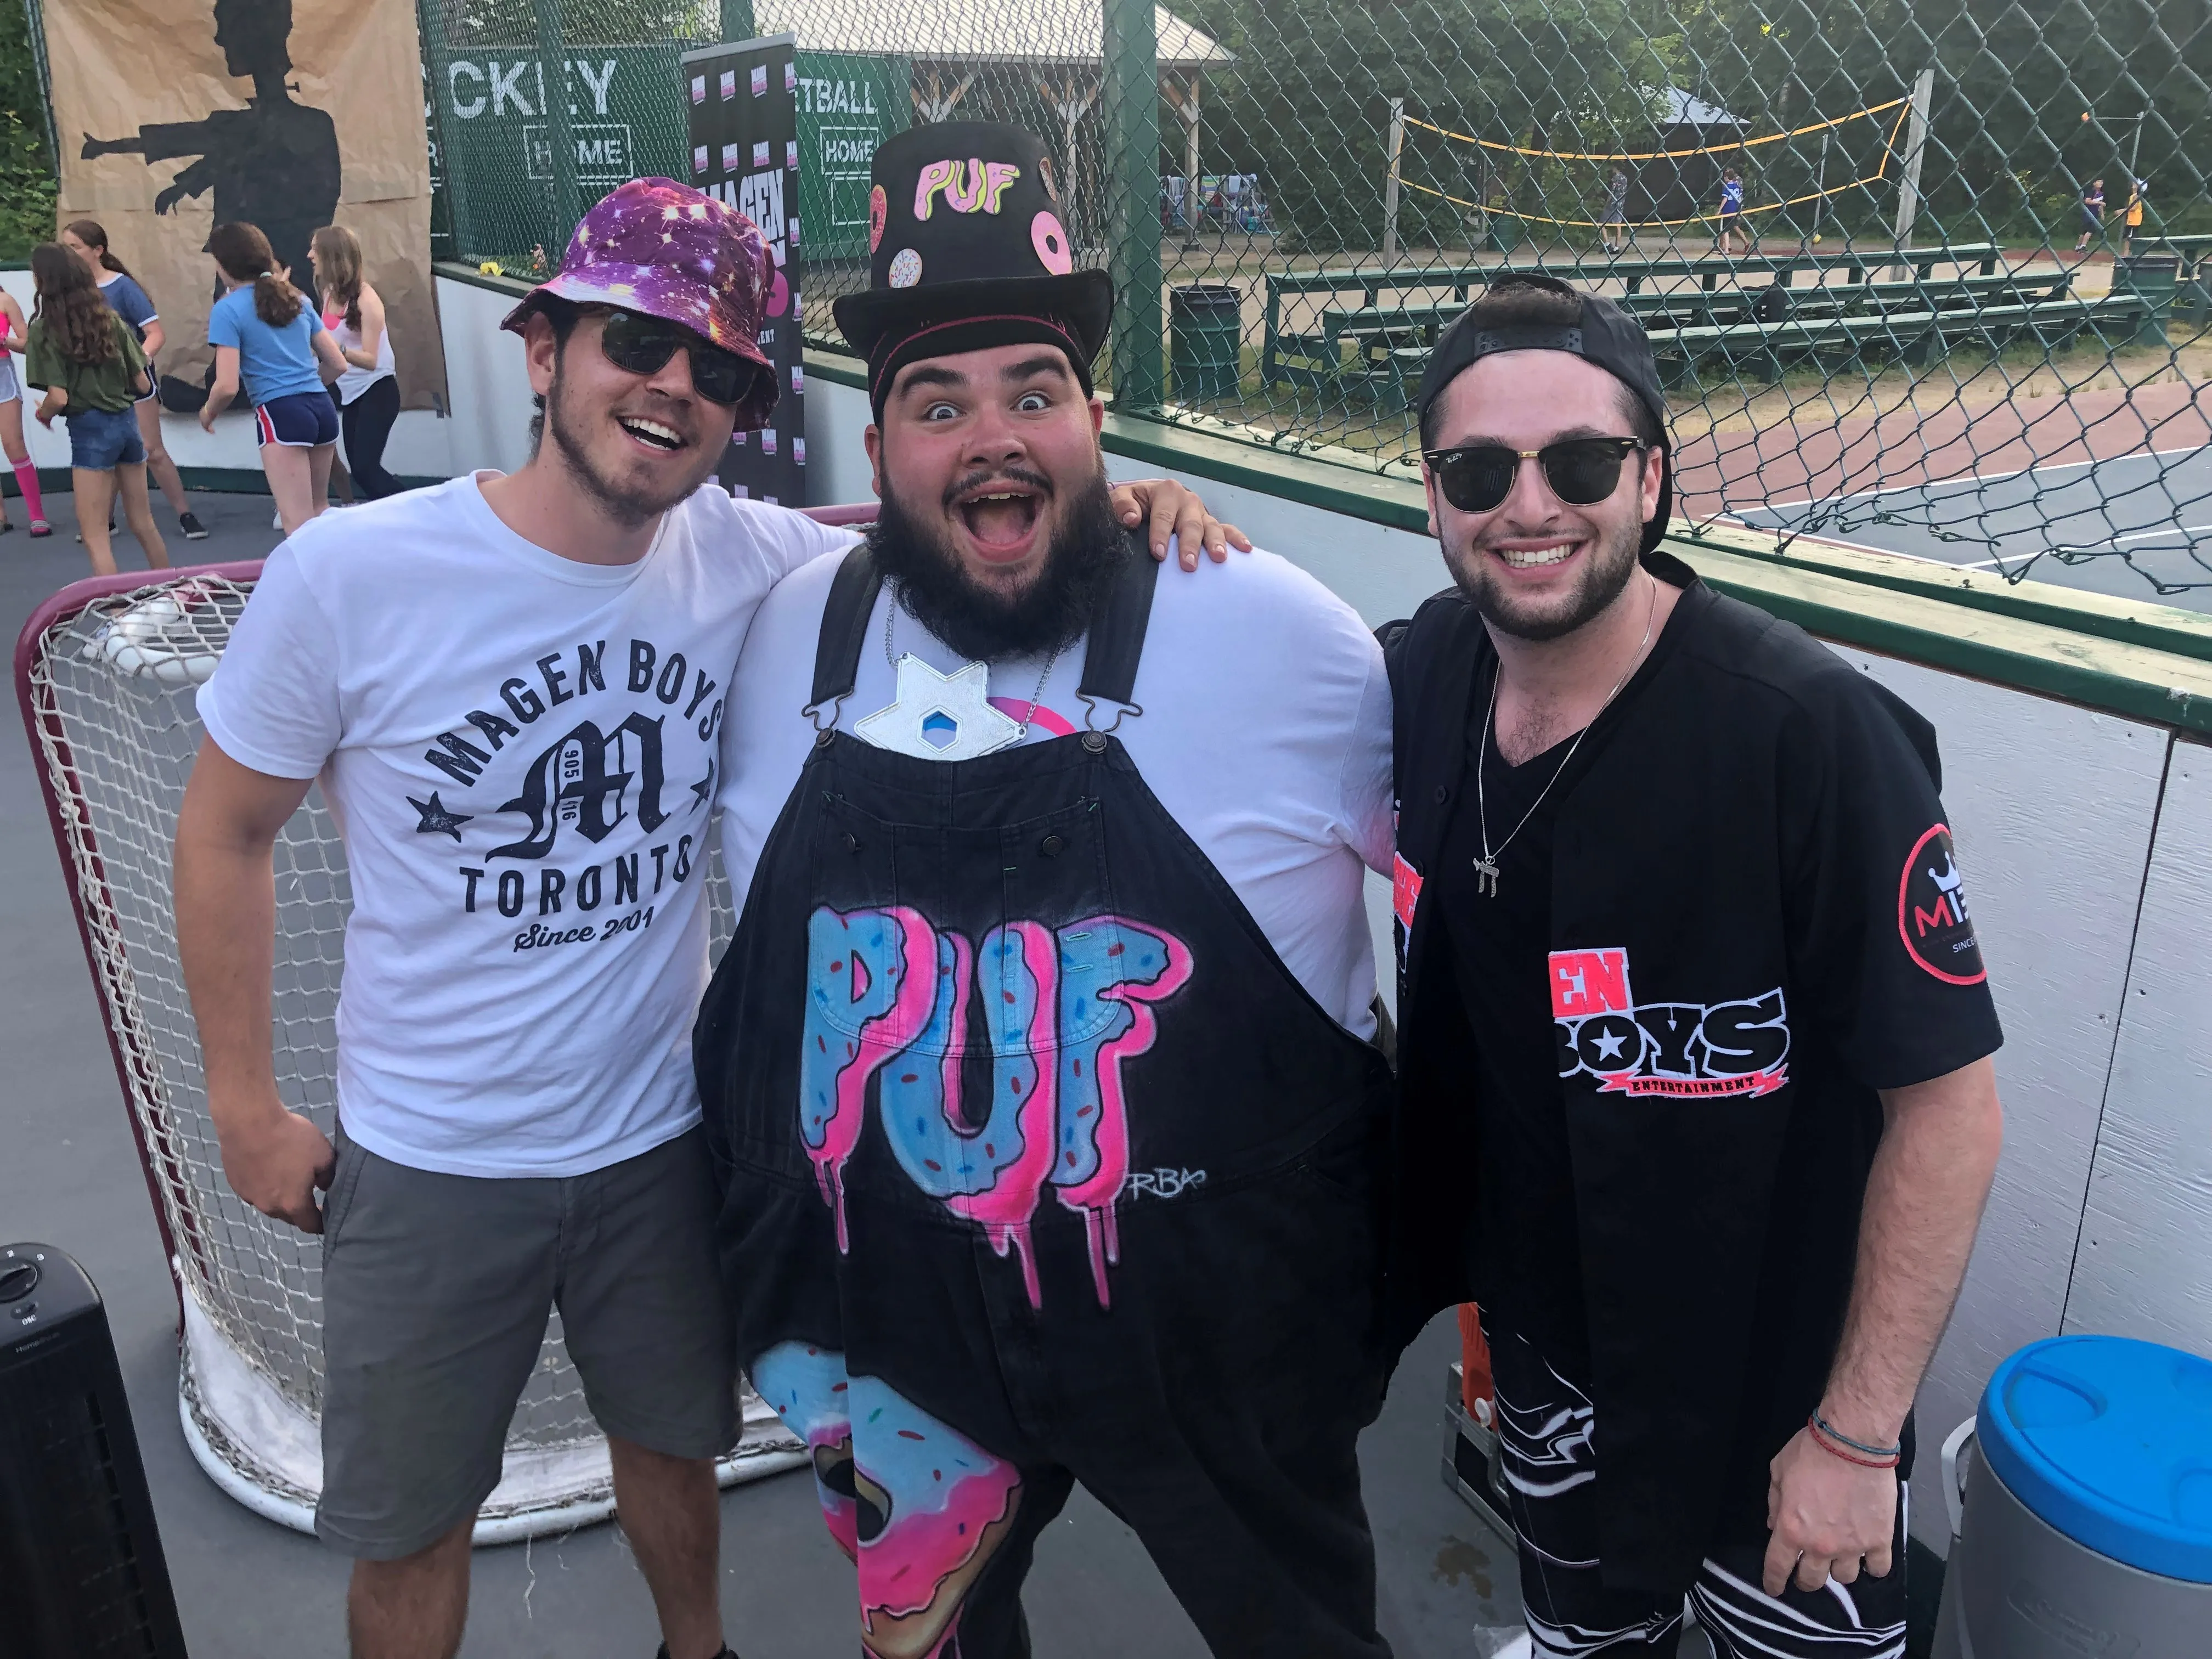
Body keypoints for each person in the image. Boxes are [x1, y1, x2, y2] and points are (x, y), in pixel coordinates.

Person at [170, 173, 1234, 1659]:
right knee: (411, 1522)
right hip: (425, 1160)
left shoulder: (755, 562)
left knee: (673, 1445)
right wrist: (240, 1104)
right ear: (543, 350)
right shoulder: (352, 575)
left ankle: (699, 1651)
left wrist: (1113, 502)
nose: (675, 388)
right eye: (637, 344)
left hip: (659, 1140)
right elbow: (227, 830)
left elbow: (960, 537)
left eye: (720, 370)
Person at [698, 122, 1396, 1659]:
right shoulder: (770, 639)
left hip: (1213, 1330)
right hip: (887, 1335)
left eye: (1035, 393)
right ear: (875, 450)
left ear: (1100, 419)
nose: (992, 439)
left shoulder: (1279, 634)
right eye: (936, 406)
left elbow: (1462, 889)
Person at [1380, 276, 2005, 1656]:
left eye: (1582, 461)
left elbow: (1950, 1108)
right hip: (1553, 1357)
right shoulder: (1426, 675)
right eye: (1478, 469)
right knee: (1585, 1637)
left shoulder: (1813, 736)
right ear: (1432, 494)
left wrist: (1858, 1431)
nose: (1528, 505)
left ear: (1652, 477)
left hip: (1777, 1400)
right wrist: (1150, 526)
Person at [23, 243, 169, 577]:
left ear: (43, 281)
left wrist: (43, 414)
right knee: (144, 522)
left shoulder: (44, 330)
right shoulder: (112, 321)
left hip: (89, 431)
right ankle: (174, 595)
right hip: (127, 426)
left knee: (95, 536)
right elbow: (144, 386)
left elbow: (58, 397)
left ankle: (118, 616)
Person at [59, 219, 209, 540]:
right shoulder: (67, 293)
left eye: (75, 247)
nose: (68, 253)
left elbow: (155, 334)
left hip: (133, 384)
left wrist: (133, 367)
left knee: (152, 449)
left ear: (98, 251)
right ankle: (105, 521)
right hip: (94, 390)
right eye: (65, 247)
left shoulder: (123, 287)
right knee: (106, 450)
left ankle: (185, 514)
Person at [198, 221, 346, 534]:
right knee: (320, 511)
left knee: (296, 521)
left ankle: (307, 585)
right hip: (321, 408)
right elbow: (337, 363)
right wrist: (307, 385)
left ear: (225, 266)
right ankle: (336, 581)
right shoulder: (298, 299)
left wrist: (207, 412)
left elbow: (226, 385)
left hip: (280, 414)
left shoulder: (227, 310)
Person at [310, 224, 403, 499]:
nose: (309, 255)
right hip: (352, 394)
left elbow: (371, 360)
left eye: (315, 249)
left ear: (331, 255)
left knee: (366, 470)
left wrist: (331, 348)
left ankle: (421, 514)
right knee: (362, 472)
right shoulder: (327, 293)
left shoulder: (367, 300)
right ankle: (393, 525)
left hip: (378, 390)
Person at [0, 284, 52, 535]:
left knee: (14, 445)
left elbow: (27, 343)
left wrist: (3, 340)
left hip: (2, 378)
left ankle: (37, 516)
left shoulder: (4, 300)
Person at [1716, 167, 1749, 255]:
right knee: (1733, 226)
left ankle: (1727, 249)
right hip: (1735, 209)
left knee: (1725, 230)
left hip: (1727, 209)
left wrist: (1719, 210)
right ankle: (1727, 247)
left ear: (1727, 177)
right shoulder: (1737, 187)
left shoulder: (1728, 187)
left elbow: (1725, 199)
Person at [1602, 166, 1632, 255]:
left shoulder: (1615, 178)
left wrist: (1607, 203)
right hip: (1620, 205)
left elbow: (1612, 192)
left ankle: (1607, 243)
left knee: (1601, 223)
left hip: (1612, 204)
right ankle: (1617, 247)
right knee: (1618, 225)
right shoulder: (1625, 178)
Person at [2075, 178, 2106, 252]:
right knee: (2090, 230)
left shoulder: (2101, 194)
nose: (2101, 183)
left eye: (2102, 182)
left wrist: (2102, 214)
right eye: (2099, 181)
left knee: (2085, 232)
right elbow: (2088, 201)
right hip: (2088, 213)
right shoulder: (2091, 191)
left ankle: (2078, 247)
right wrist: (2099, 203)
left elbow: (2100, 205)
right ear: (2094, 183)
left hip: (2095, 214)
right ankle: (2083, 246)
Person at [2121, 177, 2146, 257]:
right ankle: (2127, 255)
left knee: (2129, 239)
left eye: (2136, 184)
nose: (2133, 185)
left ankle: (2128, 255)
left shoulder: (2136, 196)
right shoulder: (2133, 196)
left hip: (2134, 221)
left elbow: (2133, 208)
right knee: (2128, 238)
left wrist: (2121, 211)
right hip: (2132, 220)